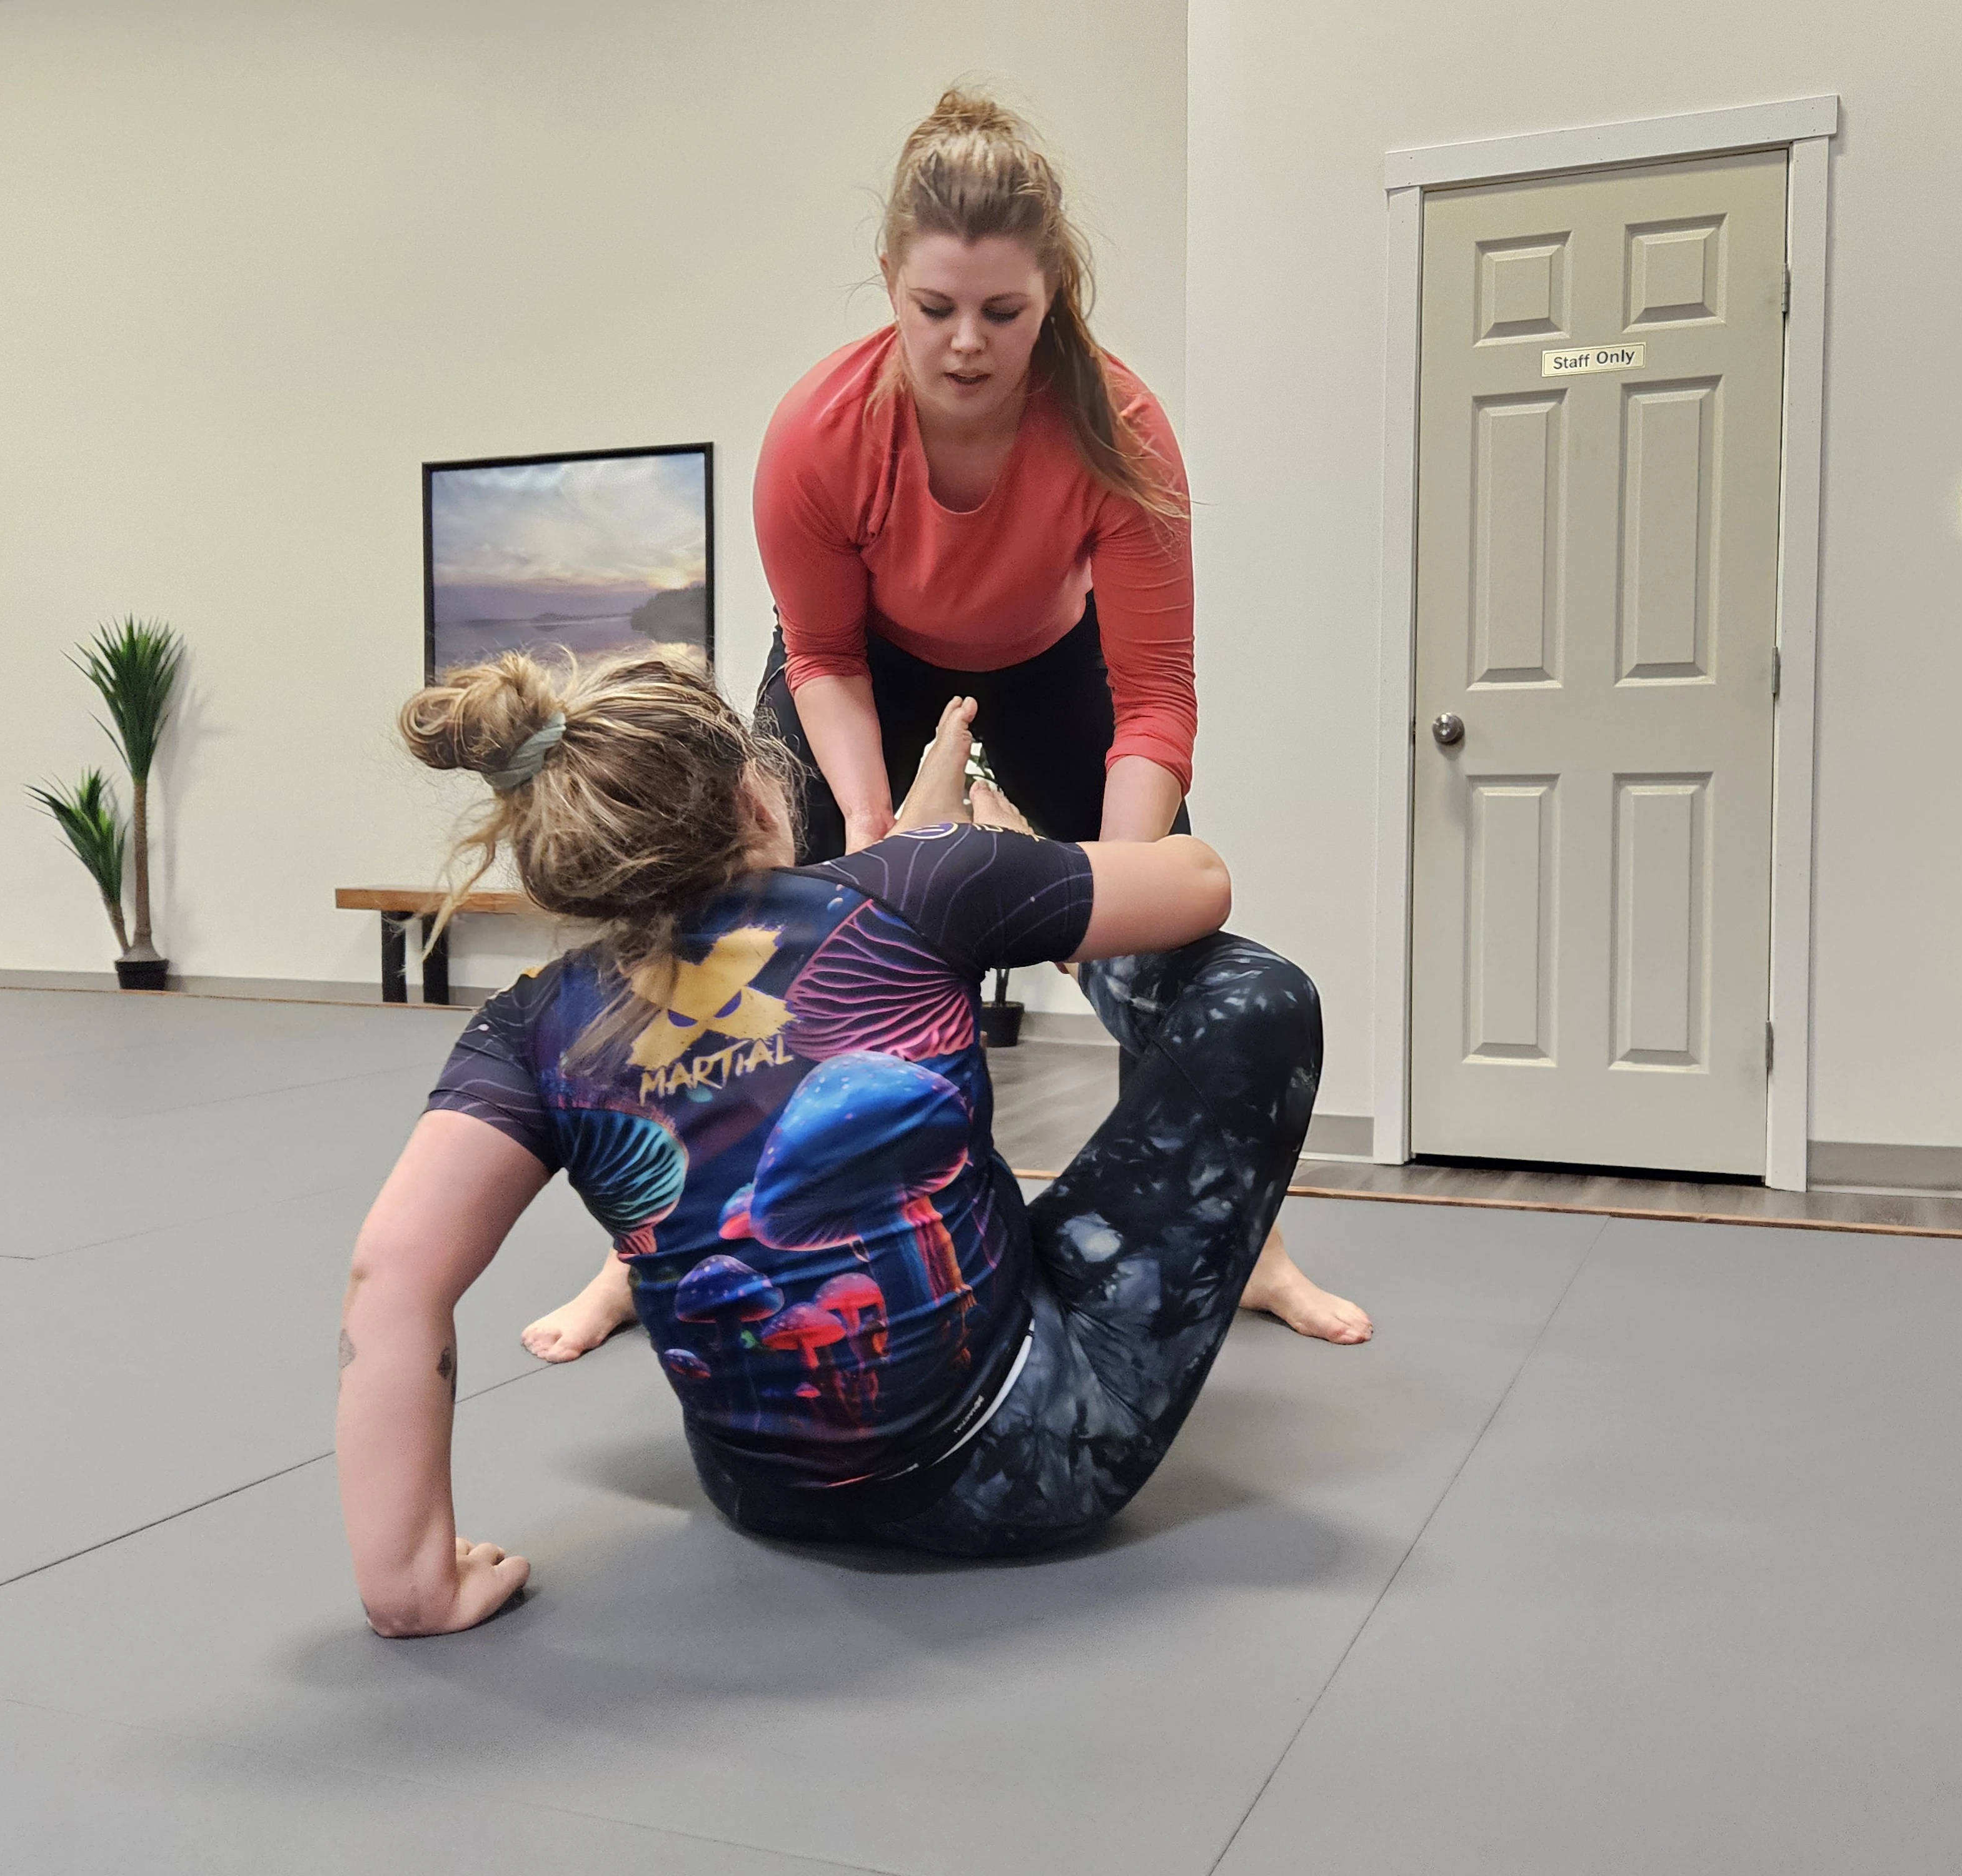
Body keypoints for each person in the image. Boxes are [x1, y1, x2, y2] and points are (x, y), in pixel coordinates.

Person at [526, 85, 1366, 1355]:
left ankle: (1249, 1244)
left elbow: (1153, 694)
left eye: (1003, 313)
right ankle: (644, 1250)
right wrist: (871, 831)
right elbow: (822, 652)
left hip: (1056, 664)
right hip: (862, 663)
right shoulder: (817, 436)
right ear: (889, 285)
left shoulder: (1122, 430)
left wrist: (1110, 883)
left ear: (1053, 294)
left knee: (1167, 942)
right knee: (749, 936)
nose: (966, 343)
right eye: (934, 309)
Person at [336, 646, 1326, 1635]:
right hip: (1035, 1469)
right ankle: (1081, 962)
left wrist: (409, 1584)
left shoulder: (528, 1025)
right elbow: (1199, 882)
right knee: (1260, 997)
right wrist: (1016, 866)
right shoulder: (913, 886)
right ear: (756, 798)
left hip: (759, 1491)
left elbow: (393, 1279)